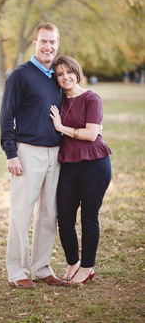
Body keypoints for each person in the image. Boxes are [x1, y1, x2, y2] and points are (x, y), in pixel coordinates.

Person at [0, 22, 68, 289]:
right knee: (21, 212)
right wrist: (10, 153)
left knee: (49, 213)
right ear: (34, 43)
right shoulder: (20, 75)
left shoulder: (58, 76)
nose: (48, 46)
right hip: (27, 152)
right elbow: (6, 116)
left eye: (52, 42)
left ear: (57, 44)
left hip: (56, 153)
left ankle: (41, 268)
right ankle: (17, 270)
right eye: (43, 41)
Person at [50, 55, 112, 284]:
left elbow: (91, 134)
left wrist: (61, 127)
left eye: (69, 72)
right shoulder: (57, 99)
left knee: (88, 216)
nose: (65, 77)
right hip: (69, 164)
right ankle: (73, 262)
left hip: (94, 163)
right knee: (64, 218)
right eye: (59, 74)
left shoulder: (91, 98)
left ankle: (87, 267)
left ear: (77, 72)